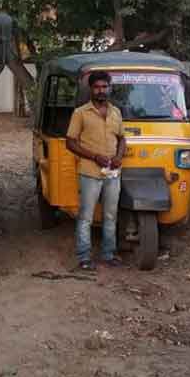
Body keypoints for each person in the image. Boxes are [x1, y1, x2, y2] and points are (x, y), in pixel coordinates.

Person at [66, 71, 126, 271]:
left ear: (109, 88)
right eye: (97, 87)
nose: (101, 90)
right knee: (86, 217)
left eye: (104, 86)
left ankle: (109, 254)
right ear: (91, 89)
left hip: (113, 173)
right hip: (90, 172)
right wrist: (94, 156)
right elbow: (70, 142)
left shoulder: (116, 112)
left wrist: (118, 157)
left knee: (110, 216)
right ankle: (84, 257)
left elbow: (122, 139)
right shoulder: (80, 113)